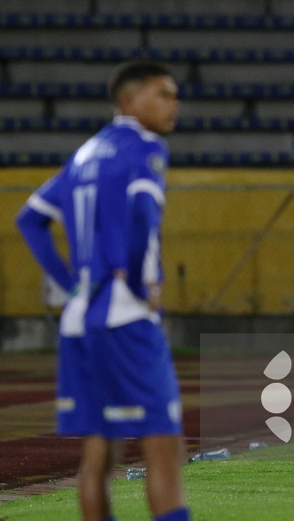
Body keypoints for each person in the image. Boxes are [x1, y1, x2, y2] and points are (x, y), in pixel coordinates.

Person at [16, 61, 190, 520]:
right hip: (126, 316)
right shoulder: (146, 148)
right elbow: (141, 218)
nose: (174, 103)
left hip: (81, 320)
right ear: (129, 101)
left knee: (99, 452)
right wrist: (136, 281)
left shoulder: (85, 154)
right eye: (162, 94)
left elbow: (29, 220)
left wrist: (71, 283)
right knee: (164, 447)